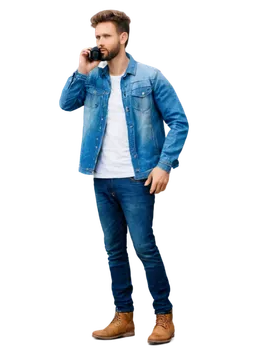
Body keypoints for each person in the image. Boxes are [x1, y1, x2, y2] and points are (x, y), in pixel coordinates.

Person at [58, 8, 190, 345]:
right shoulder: (91, 76)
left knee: (145, 248)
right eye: (95, 37)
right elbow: (65, 105)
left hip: (137, 178)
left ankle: (164, 317)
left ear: (123, 37)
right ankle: (125, 317)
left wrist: (165, 166)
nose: (98, 42)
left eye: (104, 36)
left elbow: (179, 122)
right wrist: (80, 70)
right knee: (114, 250)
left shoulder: (149, 77)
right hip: (100, 178)